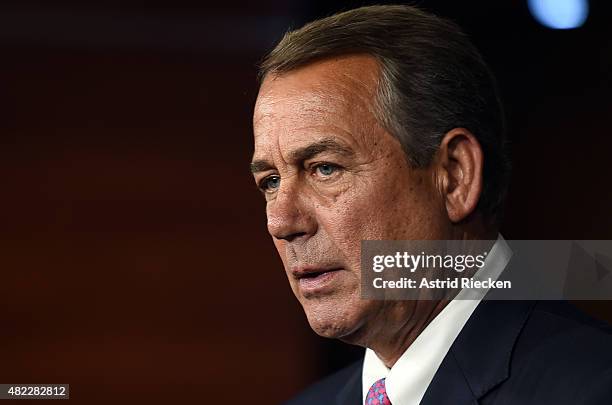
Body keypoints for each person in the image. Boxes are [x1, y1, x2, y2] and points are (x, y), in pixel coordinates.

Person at [249, 5, 612, 405]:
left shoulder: (590, 387)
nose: (281, 221)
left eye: (325, 169)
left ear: (454, 176)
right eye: (271, 181)